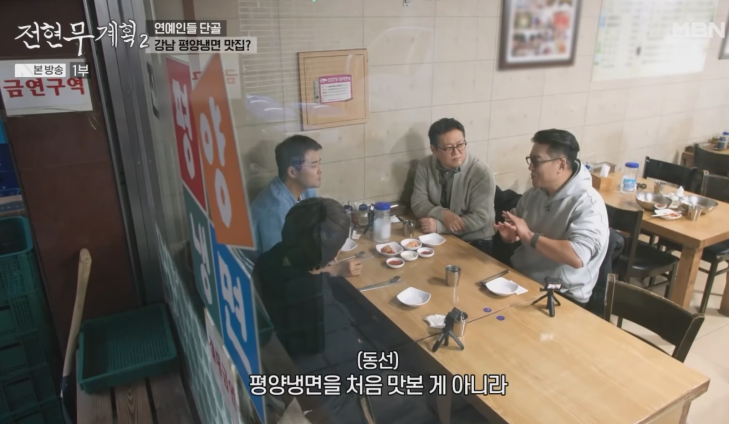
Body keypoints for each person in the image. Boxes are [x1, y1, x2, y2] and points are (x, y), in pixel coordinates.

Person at [253, 198, 444, 424]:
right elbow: (353, 365)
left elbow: (300, 280)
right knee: (423, 385)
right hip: (336, 402)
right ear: (334, 255)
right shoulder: (321, 311)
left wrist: (330, 272)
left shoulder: (270, 260)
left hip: (302, 372)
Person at [493, 129, 609, 306]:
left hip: (562, 294)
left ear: (561, 164)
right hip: (523, 278)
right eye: (530, 160)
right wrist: (510, 236)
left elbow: (577, 256)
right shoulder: (535, 194)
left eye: (536, 161)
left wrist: (528, 236)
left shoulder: (588, 204)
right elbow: (517, 228)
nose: (530, 167)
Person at [251, 135, 358, 277]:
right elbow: (279, 270)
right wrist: (334, 270)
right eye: (313, 165)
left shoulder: (306, 188)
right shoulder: (276, 210)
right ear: (293, 172)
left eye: (319, 163)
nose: (320, 170)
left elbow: (317, 229)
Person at [411, 118, 497, 255]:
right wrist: (443, 214)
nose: (456, 152)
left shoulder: (481, 172)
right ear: (434, 149)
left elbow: (480, 218)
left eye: (460, 145)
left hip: (476, 240)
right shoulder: (425, 166)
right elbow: (418, 202)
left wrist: (440, 226)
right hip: (441, 237)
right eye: (449, 147)